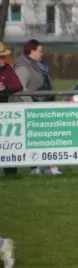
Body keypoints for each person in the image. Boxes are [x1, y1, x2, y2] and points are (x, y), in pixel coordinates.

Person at [12, 39, 61, 175]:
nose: (42, 54)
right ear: (32, 51)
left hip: (43, 107)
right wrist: (32, 107)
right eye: (40, 51)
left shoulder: (39, 66)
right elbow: (21, 89)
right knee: (37, 140)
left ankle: (49, 166)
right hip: (33, 110)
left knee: (47, 138)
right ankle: (37, 167)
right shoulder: (22, 67)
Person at [0, 42, 23, 176]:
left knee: (8, 142)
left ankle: (10, 173)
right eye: (0, 57)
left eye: (3, 56)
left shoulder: (8, 69)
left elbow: (18, 85)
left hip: (4, 112)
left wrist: (5, 88)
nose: (3, 59)